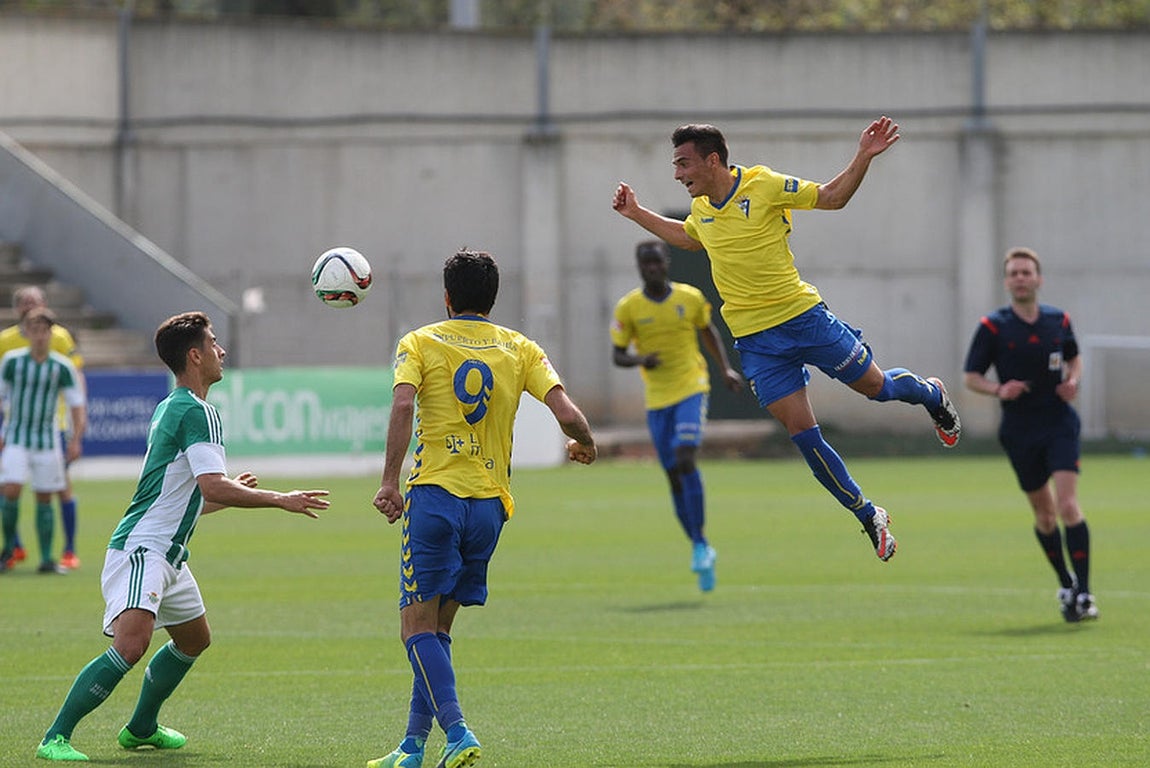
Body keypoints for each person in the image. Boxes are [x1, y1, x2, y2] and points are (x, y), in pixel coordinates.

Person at [611, 116, 961, 561]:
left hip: (803, 319)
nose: (677, 174)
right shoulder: (701, 208)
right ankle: (868, 513)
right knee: (803, 434)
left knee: (877, 387)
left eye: (683, 163)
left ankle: (931, 394)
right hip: (757, 342)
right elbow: (689, 238)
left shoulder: (764, 185)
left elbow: (831, 198)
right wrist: (636, 213)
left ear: (712, 160)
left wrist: (863, 156)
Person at [35, 311, 330, 762]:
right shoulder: (197, 411)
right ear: (195, 355)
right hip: (145, 549)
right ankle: (55, 736)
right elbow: (212, 487)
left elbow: (189, 497)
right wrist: (280, 498)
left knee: (194, 639)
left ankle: (141, 727)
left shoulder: (171, 406)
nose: (221, 351)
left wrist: (230, 492)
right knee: (130, 646)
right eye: (213, 343)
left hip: (168, 553)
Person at [369, 250, 597, 768]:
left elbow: (403, 404)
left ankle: (457, 732)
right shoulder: (520, 347)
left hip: (435, 498)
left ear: (447, 296)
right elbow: (566, 412)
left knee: (415, 629)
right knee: (438, 631)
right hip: (490, 507)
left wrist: (389, 481)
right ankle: (411, 747)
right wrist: (587, 443)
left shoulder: (419, 341)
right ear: (493, 298)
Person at [963, 247, 1098, 622]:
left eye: (1027, 272)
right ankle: (1066, 582)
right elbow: (971, 377)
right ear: (1007, 282)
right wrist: (998, 389)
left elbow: (1074, 357)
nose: (1021, 278)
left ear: (1039, 279)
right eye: (1014, 273)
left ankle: (1085, 594)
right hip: (1019, 430)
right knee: (1045, 514)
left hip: (1059, 422)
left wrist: (1073, 381)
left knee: (1068, 505)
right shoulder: (993, 326)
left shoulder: (1059, 320)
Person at [611, 239, 743, 591]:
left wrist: (725, 370)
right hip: (657, 398)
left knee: (685, 457)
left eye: (657, 262)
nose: (653, 268)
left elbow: (708, 332)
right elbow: (618, 354)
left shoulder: (690, 298)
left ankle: (699, 543)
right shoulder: (629, 307)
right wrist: (641, 360)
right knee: (672, 475)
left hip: (691, 386)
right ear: (640, 268)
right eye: (646, 264)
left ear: (666, 262)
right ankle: (700, 544)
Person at [0, 285, 86, 570]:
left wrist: (76, 437)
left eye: (44, 330)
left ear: (50, 332)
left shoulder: (61, 365)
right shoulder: (11, 360)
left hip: (49, 437)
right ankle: (10, 549)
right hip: (16, 436)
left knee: (48, 494)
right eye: (34, 330)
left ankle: (51, 556)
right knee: (10, 489)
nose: (40, 335)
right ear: (26, 331)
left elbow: (77, 401)